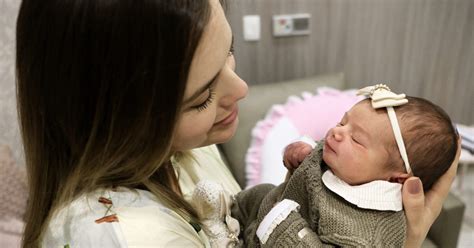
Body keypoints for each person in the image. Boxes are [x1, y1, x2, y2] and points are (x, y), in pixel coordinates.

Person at [14, 0, 460, 247]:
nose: (242, 88)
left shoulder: (184, 143)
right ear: (124, 124)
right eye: (203, 95)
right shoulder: (132, 238)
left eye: (229, 52)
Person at [223, 85, 459, 247]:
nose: (337, 132)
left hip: (281, 233)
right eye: (342, 122)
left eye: (356, 139)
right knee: (261, 192)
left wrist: (285, 223)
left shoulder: (373, 229)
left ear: (394, 179)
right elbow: (310, 156)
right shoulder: (339, 158)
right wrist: (298, 153)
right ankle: (224, 215)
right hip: (264, 216)